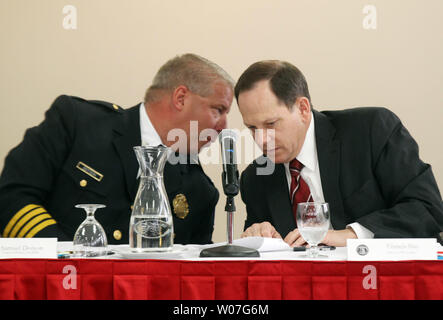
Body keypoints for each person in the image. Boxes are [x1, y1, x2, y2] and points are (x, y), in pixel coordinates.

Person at [0, 53, 234, 244]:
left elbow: (191, 275)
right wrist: (68, 264)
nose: (223, 126)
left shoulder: (200, 190)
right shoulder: (77, 123)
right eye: (218, 110)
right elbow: (12, 198)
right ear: (181, 98)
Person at [235, 60, 443, 247]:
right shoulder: (256, 178)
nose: (261, 139)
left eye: (270, 124)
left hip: (389, 282)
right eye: (252, 127)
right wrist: (257, 236)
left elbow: (427, 210)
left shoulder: (371, 131)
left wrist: (350, 235)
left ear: (303, 109)